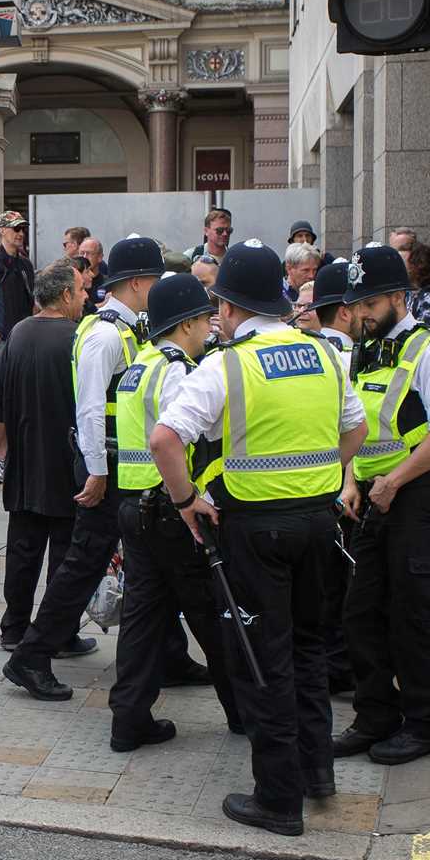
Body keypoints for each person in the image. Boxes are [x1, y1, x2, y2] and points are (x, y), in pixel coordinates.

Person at [149, 240, 366, 837]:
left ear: (229, 305)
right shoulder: (323, 354)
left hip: (254, 532)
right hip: (320, 524)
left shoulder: (226, 363)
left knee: (263, 660)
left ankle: (278, 798)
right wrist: (319, 474)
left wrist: (187, 500)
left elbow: (167, 440)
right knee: (310, 650)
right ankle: (316, 772)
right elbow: (357, 429)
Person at [2, 236, 165, 701]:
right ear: (137, 282)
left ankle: (167, 652)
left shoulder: (128, 330)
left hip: (124, 470)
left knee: (130, 564)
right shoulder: (107, 333)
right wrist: (96, 471)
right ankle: (30, 656)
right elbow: (90, 409)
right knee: (81, 566)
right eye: (153, 280)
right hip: (108, 471)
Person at [335, 244, 430, 766]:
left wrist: (394, 480)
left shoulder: (429, 350)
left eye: (367, 303)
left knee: (412, 616)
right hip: (372, 496)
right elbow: (353, 426)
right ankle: (376, 717)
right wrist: (352, 479)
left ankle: (429, 724)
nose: (358, 313)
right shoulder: (365, 351)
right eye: (355, 303)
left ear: (396, 296)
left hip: (416, 495)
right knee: (361, 613)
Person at [108, 273, 242, 750]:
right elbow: (176, 440)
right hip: (171, 510)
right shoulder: (179, 369)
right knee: (212, 612)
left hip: (134, 507)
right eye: (205, 318)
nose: (210, 326)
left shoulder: (139, 364)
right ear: (185, 324)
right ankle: (243, 712)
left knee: (143, 619)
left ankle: (129, 719)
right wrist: (190, 501)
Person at [0, 260, 83, 650]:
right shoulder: (77, 338)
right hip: (64, 463)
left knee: (23, 551)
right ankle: (58, 634)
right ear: (64, 295)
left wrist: (2, 454)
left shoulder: (19, 332)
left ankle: (14, 629)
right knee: (65, 554)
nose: (84, 297)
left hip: (25, 460)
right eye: (80, 290)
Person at [301, 261, 360, 695]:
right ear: (344, 311)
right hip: (341, 486)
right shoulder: (343, 357)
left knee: (324, 587)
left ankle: (330, 663)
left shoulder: (306, 353)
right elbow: (354, 427)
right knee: (338, 586)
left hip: (308, 489)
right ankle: (337, 665)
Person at [0, 210, 35, 486]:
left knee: (21, 399)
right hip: (3, 342)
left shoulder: (25, 265)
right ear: (2, 231)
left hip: (23, 342)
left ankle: (13, 456)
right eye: (15, 229)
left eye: (22, 229)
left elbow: (32, 302)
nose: (20, 233)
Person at [395, 237, 430, 333]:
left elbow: (425, 335)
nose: (397, 267)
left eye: (402, 262)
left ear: (417, 265)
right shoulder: (409, 294)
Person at [78, 237, 107, 303]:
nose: (84, 257)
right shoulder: (72, 284)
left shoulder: (108, 284)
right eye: (82, 253)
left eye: (88, 253)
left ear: (100, 257)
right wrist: (103, 304)